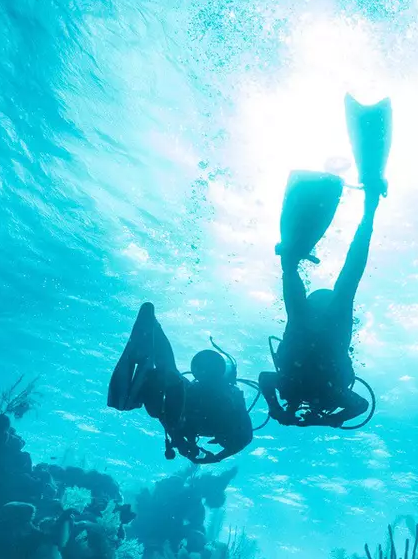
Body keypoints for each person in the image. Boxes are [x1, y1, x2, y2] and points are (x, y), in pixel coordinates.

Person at [258, 95, 391, 428]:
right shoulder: (326, 390)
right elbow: (357, 405)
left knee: (330, 281)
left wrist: (280, 412)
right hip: (325, 337)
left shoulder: (304, 378)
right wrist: (303, 417)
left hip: (318, 334)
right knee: (306, 276)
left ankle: (294, 256)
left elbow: (266, 379)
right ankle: (293, 256)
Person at [107, 303, 254, 463]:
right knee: (168, 380)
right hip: (186, 400)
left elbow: (170, 416)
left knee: (169, 379)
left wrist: (184, 444)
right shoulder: (231, 410)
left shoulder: (224, 408)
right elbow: (244, 439)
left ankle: (154, 330)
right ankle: (154, 332)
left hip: (184, 399)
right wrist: (212, 456)